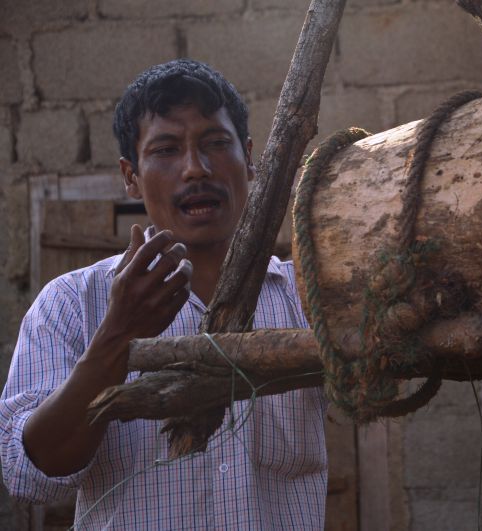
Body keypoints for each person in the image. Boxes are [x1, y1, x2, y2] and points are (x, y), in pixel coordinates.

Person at [0, 59, 327, 529]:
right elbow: (30, 476)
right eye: (167, 150)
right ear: (130, 176)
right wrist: (118, 336)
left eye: (216, 143)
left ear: (251, 158)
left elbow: (384, 381)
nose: (196, 169)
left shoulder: (306, 296)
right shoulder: (71, 304)